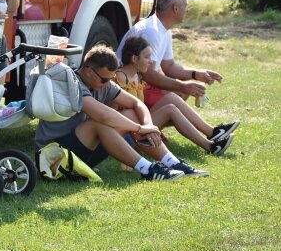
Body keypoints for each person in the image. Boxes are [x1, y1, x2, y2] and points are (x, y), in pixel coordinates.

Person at [35, 46, 209, 181]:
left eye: (110, 79)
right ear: (88, 70)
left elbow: (136, 103)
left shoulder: (103, 82)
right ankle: (148, 169)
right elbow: (103, 116)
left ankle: (173, 162)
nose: (107, 83)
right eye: (104, 79)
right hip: (52, 159)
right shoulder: (71, 84)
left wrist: (147, 125)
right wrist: (140, 128)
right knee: (99, 123)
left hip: (79, 152)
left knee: (132, 113)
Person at [116, 0, 239, 146]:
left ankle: (211, 133)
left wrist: (196, 74)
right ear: (175, 8)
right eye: (186, 5)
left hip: (138, 86)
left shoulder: (162, 30)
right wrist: (182, 85)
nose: (187, 9)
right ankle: (212, 133)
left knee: (179, 91)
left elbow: (169, 66)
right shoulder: (152, 31)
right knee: (174, 94)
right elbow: (149, 75)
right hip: (129, 88)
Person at [116, 36, 233, 155]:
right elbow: (119, 112)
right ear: (134, 59)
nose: (151, 61)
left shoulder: (137, 75)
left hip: (140, 124)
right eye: (147, 57)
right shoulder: (120, 77)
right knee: (170, 110)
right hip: (129, 132)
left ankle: (213, 133)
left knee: (170, 98)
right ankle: (211, 146)